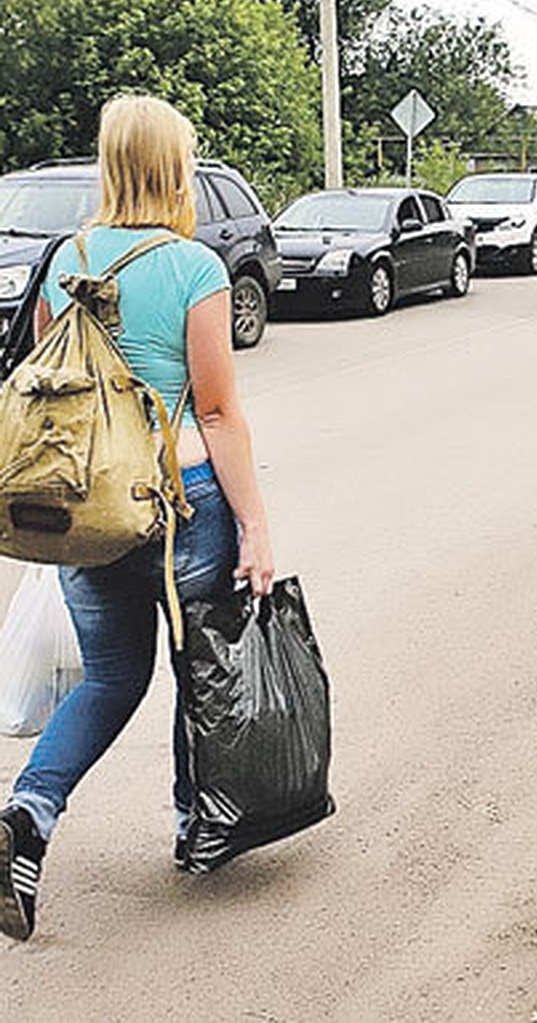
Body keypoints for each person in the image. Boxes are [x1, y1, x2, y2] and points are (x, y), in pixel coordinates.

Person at [0, 94, 274, 942]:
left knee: (112, 678)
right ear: (177, 168)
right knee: (204, 672)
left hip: (87, 513)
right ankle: (202, 828)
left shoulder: (64, 256)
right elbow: (219, 412)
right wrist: (257, 528)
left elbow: (58, 392)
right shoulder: (194, 267)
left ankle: (27, 816)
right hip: (179, 507)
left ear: (112, 164)